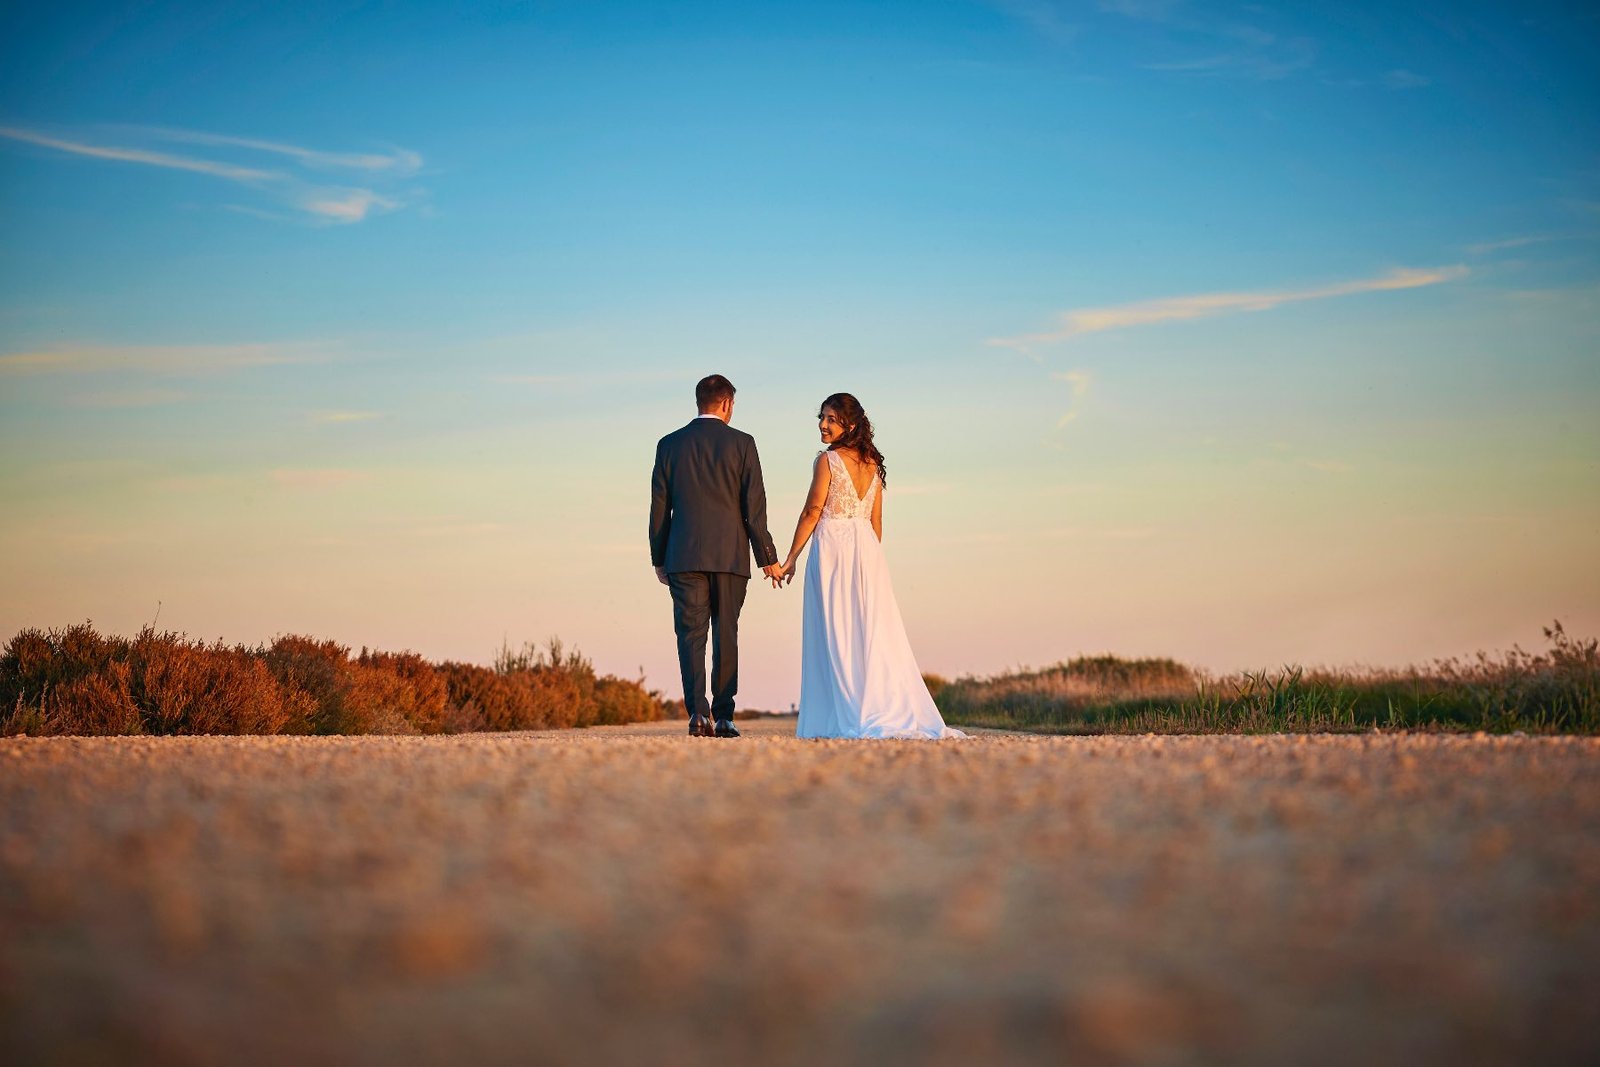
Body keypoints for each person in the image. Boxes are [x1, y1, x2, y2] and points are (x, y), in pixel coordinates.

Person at [777, 393, 965, 739]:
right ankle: (874, 702)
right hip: (867, 550)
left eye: (831, 419)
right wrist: (869, 560)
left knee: (837, 630)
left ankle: (841, 712)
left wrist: (790, 559)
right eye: (821, 417)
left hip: (834, 548)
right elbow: (876, 523)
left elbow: (811, 512)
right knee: (871, 630)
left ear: (849, 424)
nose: (823, 424)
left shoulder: (828, 460)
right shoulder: (873, 465)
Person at [650, 374, 787, 738]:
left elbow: (659, 508)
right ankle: (725, 716)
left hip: (684, 555)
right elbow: (754, 510)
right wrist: (767, 557)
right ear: (727, 404)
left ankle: (698, 714)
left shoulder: (669, 445)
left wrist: (659, 558)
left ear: (699, 401)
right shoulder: (743, 443)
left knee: (690, 636)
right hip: (730, 556)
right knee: (726, 632)